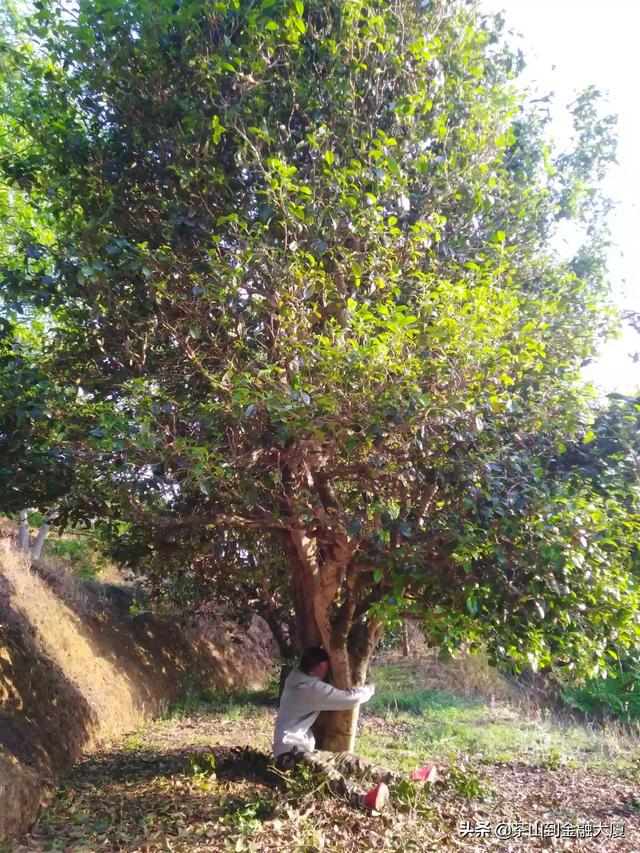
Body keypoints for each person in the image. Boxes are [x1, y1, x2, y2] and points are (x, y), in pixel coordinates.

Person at [273, 647, 437, 812]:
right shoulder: (307, 688)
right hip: (288, 754)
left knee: (350, 761)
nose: (327, 672)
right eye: (326, 668)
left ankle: (405, 780)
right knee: (325, 773)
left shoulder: (297, 676)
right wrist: (370, 689)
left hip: (304, 749)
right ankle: (364, 800)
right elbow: (348, 699)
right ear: (320, 666)